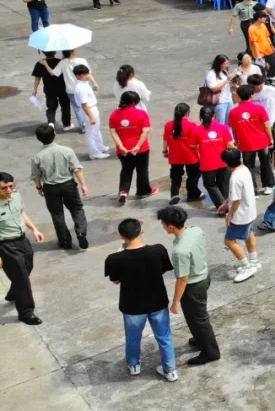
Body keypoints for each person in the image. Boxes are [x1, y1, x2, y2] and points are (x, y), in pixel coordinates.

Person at [104, 218, 179, 382]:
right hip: (157, 302)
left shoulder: (114, 259)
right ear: (142, 231)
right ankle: (170, 370)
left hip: (132, 306)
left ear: (121, 236)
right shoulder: (158, 250)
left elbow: (115, 281)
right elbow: (163, 269)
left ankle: (134, 366)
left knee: (133, 338)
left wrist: (119, 255)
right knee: (164, 337)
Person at [157, 206, 220, 365]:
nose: (163, 227)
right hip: (204, 275)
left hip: (193, 286)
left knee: (199, 319)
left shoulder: (180, 251)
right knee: (194, 318)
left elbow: (182, 279)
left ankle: (210, 352)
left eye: (163, 224)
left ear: (171, 226)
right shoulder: (195, 230)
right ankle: (200, 339)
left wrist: (175, 302)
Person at [30, 124, 88, 250]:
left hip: (50, 187)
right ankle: (81, 232)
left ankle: (65, 241)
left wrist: (39, 188)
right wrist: (83, 184)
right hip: (68, 184)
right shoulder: (67, 151)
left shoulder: (37, 157)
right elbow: (76, 169)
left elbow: (36, 176)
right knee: (76, 208)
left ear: (38, 138)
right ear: (54, 134)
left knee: (57, 214)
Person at [0, 172, 47, 325]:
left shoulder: (16, 196)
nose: (9, 190)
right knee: (22, 278)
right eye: (4, 188)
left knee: (27, 267)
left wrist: (34, 229)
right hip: (6, 246)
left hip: (22, 240)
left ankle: (14, 292)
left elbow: (21, 213)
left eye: (11, 186)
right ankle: (26, 313)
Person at [109, 91, 156, 203]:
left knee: (126, 169)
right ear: (134, 102)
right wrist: (137, 146)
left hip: (123, 149)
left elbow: (113, 132)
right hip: (141, 149)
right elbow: (145, 131)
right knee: (142, 170)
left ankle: (123, 191)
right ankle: (143, 191)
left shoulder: (114, 114)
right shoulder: (142, 113)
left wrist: (120, 146)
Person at [221, 148, 259, 283]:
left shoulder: (234, 178)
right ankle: (254, 261)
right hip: (250, 210)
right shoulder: (245, 169)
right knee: (249, 234)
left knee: (229, 241)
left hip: (241, 215)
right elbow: (236, 194)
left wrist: (229, 215)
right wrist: (226, 203)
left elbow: (236, 200)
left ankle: (247, 267)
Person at [196, 106, 233, 214]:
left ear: (200, 117)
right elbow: (230, 144)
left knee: (210, 185)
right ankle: (226, 205)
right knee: (223, 185)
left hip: (207, 164)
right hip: (224, 162)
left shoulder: (197, 129)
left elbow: (193, 145)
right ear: (214, 116)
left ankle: (222, 207)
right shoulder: (223, 128)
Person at [73, 64, 110, 160]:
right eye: (85, 74)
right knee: (91, 132)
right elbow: (84, 104)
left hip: (92, 108)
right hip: (88, 110)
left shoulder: (84, 82)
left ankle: (100, 146)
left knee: (96, 130)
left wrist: (94, 83)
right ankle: (94, 153)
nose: (87, 76)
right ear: (79, 76)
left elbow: (90, 77)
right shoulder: (80, 88)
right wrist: (91, 117)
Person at [31, 51, 72, 130]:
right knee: (65, 106)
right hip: (62, 88)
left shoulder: (40, 63)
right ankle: (66, 125)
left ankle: (51, 123)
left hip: (49, 89)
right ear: (55, 52)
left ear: (44, 53)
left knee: (51, 107)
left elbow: (37, 77)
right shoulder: (60, 62)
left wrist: (35, 89)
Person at [247, 13, 275, 85]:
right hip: (258, 51)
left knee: (274, 64)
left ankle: (270, 77)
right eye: (264, 17)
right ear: (259, 19)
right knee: (261, 68)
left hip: (267, 49)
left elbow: (267, 37)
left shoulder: (263, 25)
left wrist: (272, 46)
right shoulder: (251, 29)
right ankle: (262, 82)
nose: (266, 19)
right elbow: (254, 42)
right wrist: (258, 54)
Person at [205, 55, 233, 124]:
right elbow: (214, 89)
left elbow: (226, 85)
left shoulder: (224, 71)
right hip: (219, 102)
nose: (227, 65)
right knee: (220, 123)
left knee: (230, 122)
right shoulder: (211, 74)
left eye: (228, 63)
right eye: (225, 64)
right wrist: (226, 80)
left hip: (229, 99)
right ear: (219, 64)